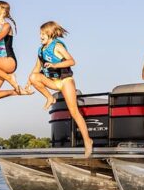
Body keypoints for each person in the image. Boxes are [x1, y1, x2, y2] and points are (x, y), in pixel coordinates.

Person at [25, 21, 93, 158]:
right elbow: (37, 68)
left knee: (74, 112)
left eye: (43, 33)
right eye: (40, 34)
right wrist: (29, 82)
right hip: (53, 82)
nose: (40, 36)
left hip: (65, 80)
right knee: (33, 76)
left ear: (50, 33)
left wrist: (56, 65)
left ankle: (88, 141)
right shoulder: (41, 50)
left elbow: (72, 61)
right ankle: (50, 97)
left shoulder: (57, 46)